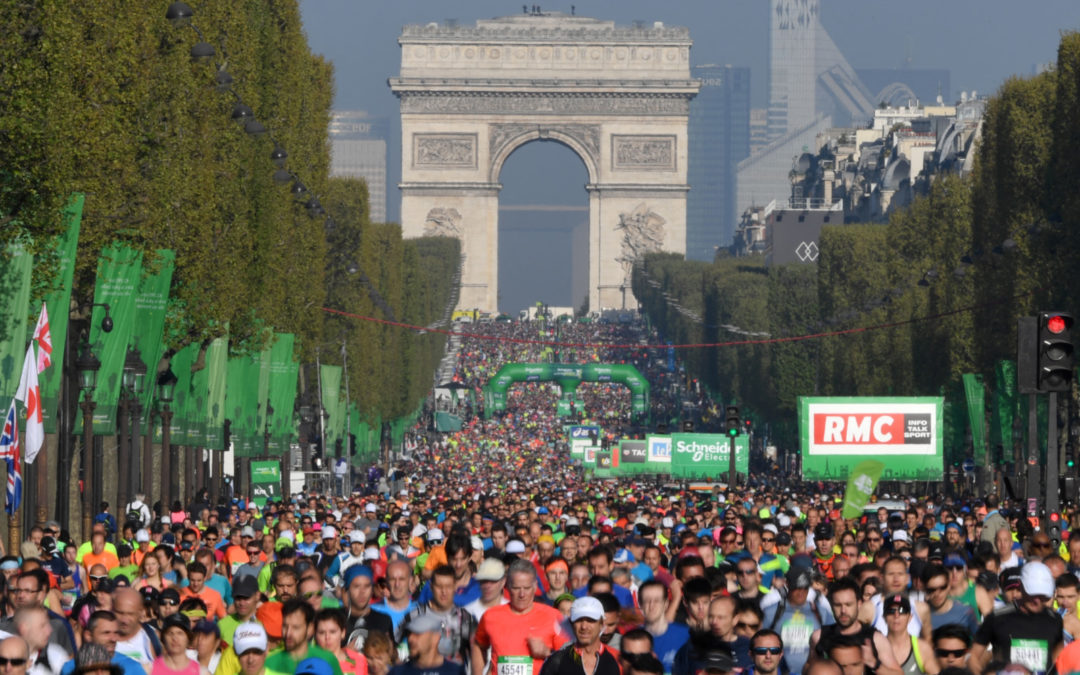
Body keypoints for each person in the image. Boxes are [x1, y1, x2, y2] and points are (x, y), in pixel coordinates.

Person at [471, 559, 569, 675]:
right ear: (507, 587)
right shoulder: (490, 616)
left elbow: (570, 659)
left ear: (535, 587)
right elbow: (479, 645)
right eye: (516, 588)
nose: (522, 594)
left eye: (526, 588)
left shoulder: (554, 617)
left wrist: (547, 652)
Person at [969, 561, 1062, 675]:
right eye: (1032, 594)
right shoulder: (997, 618)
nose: (1036, 600)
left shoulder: (1054, 620)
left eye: (1042, 596)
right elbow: (973, 657)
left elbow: (1058, 657)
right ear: (1020, 586)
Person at [810, 578, 903, 675]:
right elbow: (808, 668)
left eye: (848, 604)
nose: (843, 611)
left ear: (859, 604)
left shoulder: (875, 639)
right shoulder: (819, 638)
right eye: (838, 605)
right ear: (832, 605)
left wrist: (874, 664)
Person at [403, 566, 476, 668]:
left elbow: (476, 655)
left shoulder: (466, 619)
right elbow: (403, 651)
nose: (444, 591)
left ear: (455, 587)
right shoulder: (415, 617)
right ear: (431, 587)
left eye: (448, 586)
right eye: (439, 586)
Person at [538, 597, 620, 675]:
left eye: (590, 620)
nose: (584, 626)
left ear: (601, 624)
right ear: (571, 623)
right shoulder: (557, 661)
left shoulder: (614, 661)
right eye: (578, 620)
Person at [262, 599, 343, 675]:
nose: (288, 633)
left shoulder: (327, 659)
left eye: (296, 627)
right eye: (285, 626)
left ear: (310, 628)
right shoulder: (269, 663)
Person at [60, 611, 145, 675]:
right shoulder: (70, 667)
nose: (113, 639)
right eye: (106, 633)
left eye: (116, 633)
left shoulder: (133, 667)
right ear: (88, 635)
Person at [637, 580, 689, 675]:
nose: (652, 606)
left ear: (666, 604)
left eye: (657, 601)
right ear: (640, 604)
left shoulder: (685, 635)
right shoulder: (633, 638)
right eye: (647, 601)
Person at [881, 595, 939, 675]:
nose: (896, 615)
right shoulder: (875, 648)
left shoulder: (922, 648)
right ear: (884, 617)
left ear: (910, 617)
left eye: (902, 611)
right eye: (891, 611)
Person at [341, 566, 394, 651]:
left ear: (372, 589)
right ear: (347, 590)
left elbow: (391, 656)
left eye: (367, 586)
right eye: (356, 586)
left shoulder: (383, 621)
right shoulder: (335, 619)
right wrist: (342, 653)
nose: (362, 592)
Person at [112, 588, 160, 669]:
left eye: (130, 614)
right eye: (120, 613)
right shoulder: (104, 638)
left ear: (140, 612)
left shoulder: (152, 637)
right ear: (112, 610)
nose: (125, 620)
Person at [14, 607, 67, 675]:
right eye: (42, 626)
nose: (50, 630)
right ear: (23, 629)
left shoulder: (56, 656)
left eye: (48, 624)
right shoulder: (4, 658)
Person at [313, 610, 366, 675]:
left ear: (343, 633)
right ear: (315, 635)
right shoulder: (308, 663)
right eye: (322, 633)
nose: (327, 637)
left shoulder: (358, 660)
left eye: (333, 632)